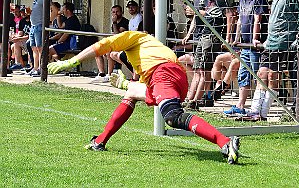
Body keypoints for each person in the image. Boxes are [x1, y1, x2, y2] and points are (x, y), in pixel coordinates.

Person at [47, 31, 240, 164]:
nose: (112, 53)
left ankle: (225, 142)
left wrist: (71, 61)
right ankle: (100, 141)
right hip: (171, 78)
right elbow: (146, 88)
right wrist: (124, 84)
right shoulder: (142, 52)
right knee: (131, 93)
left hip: (163, 74)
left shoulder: (134, 38)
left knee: (173, 117)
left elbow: (103, 45)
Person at [248, 0, 299, 120]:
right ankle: (254, 110)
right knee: (261, 74)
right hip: (270, 41)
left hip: (284, 41)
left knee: (272, 75)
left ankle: (263, 113)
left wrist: (296, 36)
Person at [224, 0, 269, 116]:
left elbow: (258, 19)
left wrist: (255, 38)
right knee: (243, 75)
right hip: (244, 45)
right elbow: (238, 21)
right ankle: (240, 105)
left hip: (255, 46)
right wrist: (236, 40)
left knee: (258, 76)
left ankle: (258, 108)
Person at [182, 0, 227, 109]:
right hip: (202, 36)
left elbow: (218, 14)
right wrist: (189, 34)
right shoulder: (202, 0)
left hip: (212, 36)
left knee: (205, 71)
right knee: (198, 69)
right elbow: (197, 17)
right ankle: (191, 98)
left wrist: (198, 11)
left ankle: (197, 100)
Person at [93, 5, 130, 83]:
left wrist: (114, 22)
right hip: (114, 43)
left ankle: (109, 74)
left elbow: (118, 35)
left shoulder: (125, 21)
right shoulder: (115, 23)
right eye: (113, 12)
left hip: (122, 44)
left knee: (109, 52)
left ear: (122, 12)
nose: (115, 14)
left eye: (117, 12)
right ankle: (102, 74)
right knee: (97, 50)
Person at [28, 0, 45, 76]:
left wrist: (49, 20)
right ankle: (35, 67)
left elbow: (54, 9)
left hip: (39, 25)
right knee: (33, 47)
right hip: (33, 25)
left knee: (40, 48)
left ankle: (41, 68)